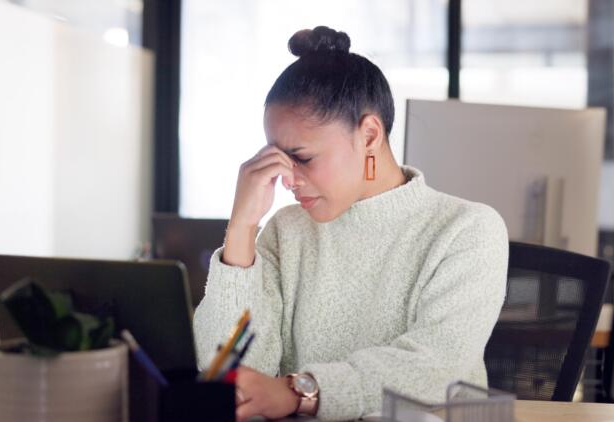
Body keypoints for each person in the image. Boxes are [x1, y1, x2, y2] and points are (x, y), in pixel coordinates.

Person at [194, 26, 508, 421]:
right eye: (278, 160)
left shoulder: (467, 230)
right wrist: (241, 228)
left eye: (302, 157)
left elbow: (437, 366)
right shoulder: (286, 231)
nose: (288, 180)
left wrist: (299, 392)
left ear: (370, 135)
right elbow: (229, 375)